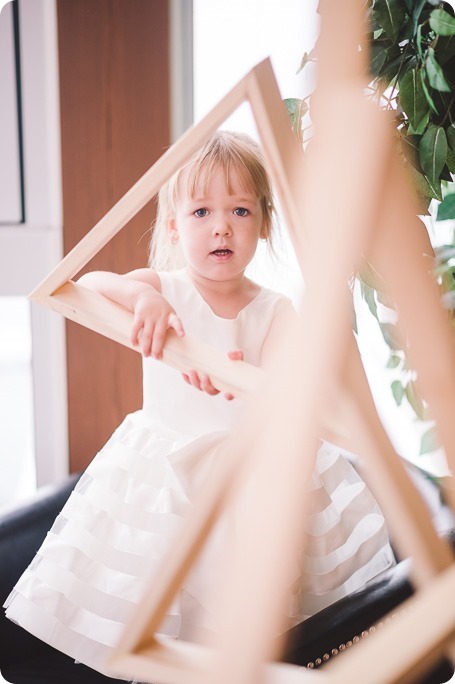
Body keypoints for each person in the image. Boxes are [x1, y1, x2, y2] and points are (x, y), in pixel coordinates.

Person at [3, 131, 395, 679]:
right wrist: (144, 299)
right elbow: (89, 283)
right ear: (173, 226)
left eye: (240, 210)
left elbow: (285, 379)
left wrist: (249, 380)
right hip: (165, 476)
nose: (222, 226)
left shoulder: (274, 309)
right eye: (202, 211)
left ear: (262, 222)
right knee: (161, 604)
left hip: (250, 473)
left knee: (249, 611)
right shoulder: (163, 288)